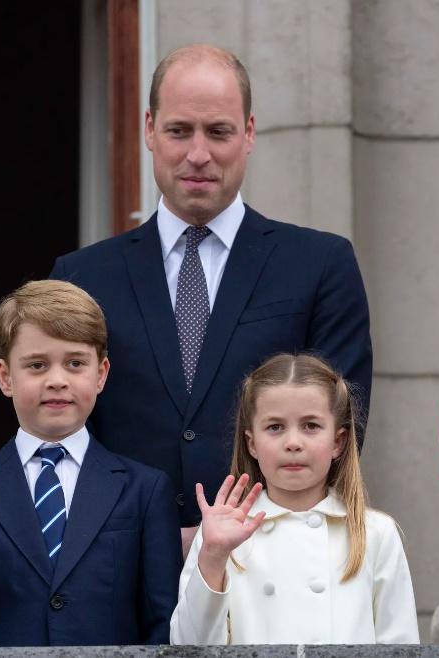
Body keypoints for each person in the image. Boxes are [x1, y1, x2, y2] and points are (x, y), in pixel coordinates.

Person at [50, 44, 372, 557]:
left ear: (247, 132)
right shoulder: (82, 276)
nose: (198, 154)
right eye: (180, 131)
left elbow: (339, 430)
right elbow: (61, 432)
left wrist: (237, 534)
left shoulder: (320, 265)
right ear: (150, 129)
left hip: (272, 564)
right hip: (122, 570)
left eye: (218, 132)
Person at [0, 280, 179, 646]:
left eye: (75, 363)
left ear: (102, 373)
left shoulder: (145, 490)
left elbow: (164, 627)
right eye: (37, 365)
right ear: (5, 377)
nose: (57, 380)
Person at [170, 354, 418, 644]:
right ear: (251, 443)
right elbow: (188, 647)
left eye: (311, 425)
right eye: (275, 427)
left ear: (337, 442)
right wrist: (212, 558)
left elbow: (401, 646)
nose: (293, 443)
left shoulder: (375, 533)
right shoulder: (221, 535)